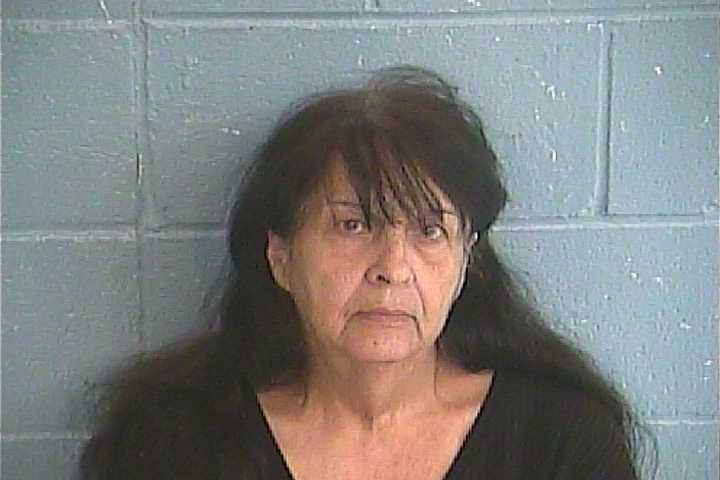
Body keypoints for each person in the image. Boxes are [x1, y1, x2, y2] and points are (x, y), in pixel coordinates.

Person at [80, 66, 652, 479]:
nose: (393, 268)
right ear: (280, 257)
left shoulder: (559, 440)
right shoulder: (175, 445)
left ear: (467, 261)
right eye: (353, 226)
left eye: (429, 231)